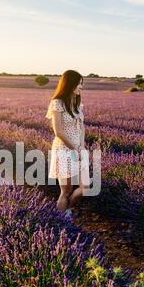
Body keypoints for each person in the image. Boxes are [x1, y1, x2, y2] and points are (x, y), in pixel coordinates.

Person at [45, 69, 90, 218]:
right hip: (64, 150)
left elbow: (82, 128)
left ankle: (67, 210)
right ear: (69, 84)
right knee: (66, 190)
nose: (81, 87)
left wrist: (81, 147)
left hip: (78, 149)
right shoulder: (57, 103)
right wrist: (74, 149)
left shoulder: (77, 104)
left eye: (82, 84)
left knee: (85, 187)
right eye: (78, 84)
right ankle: (61, 218)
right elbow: (58, 131)